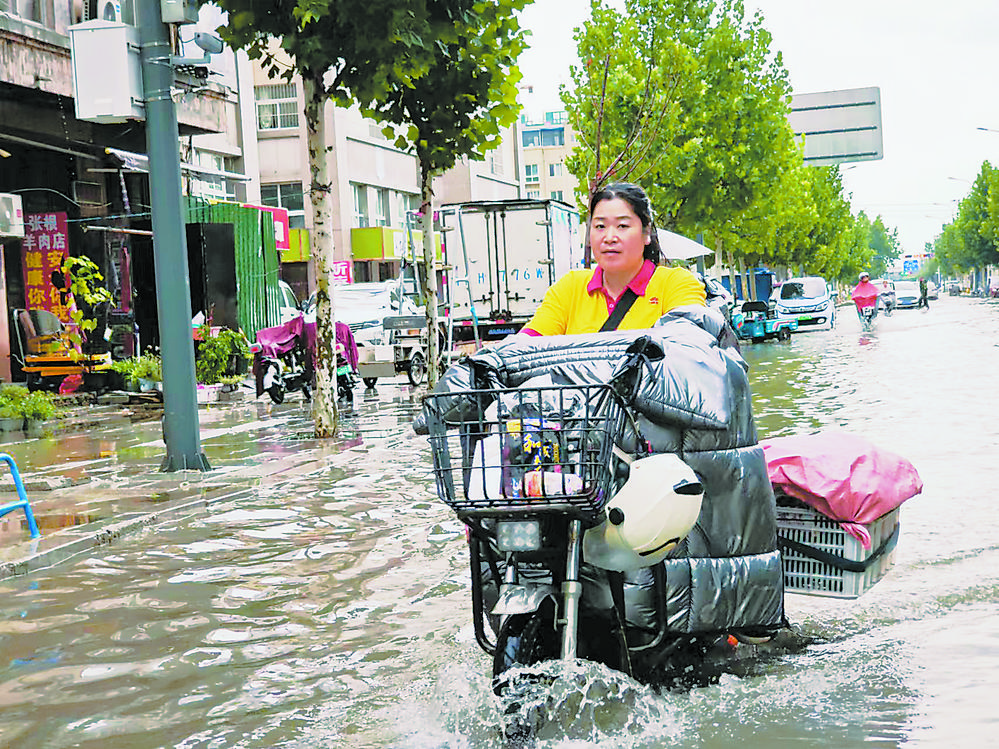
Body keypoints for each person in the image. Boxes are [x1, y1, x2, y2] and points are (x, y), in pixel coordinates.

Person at [519, 183, 706, 336]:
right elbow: (526, 345)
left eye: (622, 226)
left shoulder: (676, 284)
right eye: (600, 226)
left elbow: (689, 344)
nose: (609, 237)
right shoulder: (570, 288)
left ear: (646, 231)